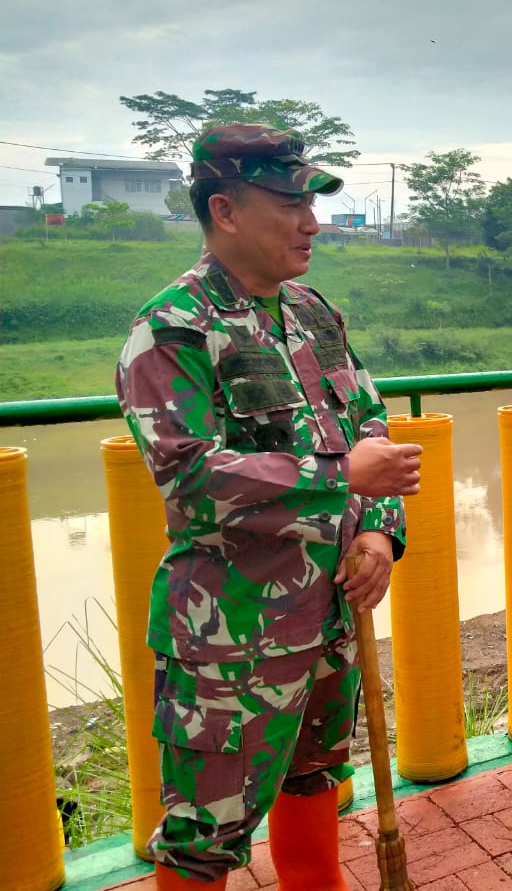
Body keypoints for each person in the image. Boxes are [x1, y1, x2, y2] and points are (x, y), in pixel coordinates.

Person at [116, 124, 422, 890]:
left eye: (312, 203)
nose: (311, 223)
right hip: (232, 638)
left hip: (328, 617)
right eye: (290, 204)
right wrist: (341, 475)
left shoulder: (313, 312)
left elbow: (371, 420)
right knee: (203, 837)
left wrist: (381, 537)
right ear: (225, 209)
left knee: (313, 778)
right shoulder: (174, 330)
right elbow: (189, 476)